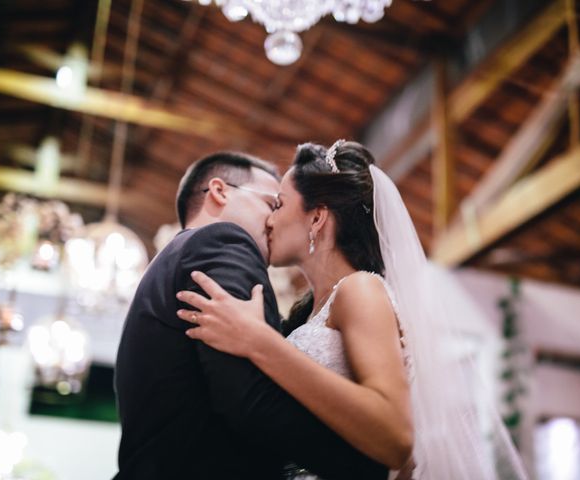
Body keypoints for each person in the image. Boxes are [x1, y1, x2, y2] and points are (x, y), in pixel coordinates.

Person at [177, 141, 528, 479]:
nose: (269, 221)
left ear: (317, 218)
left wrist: (260, 343)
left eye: (279, 205)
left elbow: (396, 439)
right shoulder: (308, 311)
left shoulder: (361, 289)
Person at [113, 151, 388, 479]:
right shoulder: (222, 242)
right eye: (272, 203)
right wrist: (366, 467)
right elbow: (250, 398)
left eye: (278, 207)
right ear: (220, 191)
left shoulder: (171, 260)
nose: (273, 220)